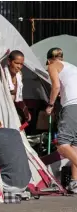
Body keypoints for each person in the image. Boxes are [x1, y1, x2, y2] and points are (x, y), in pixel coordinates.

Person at [45, 47, 77, 194]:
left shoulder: (52, 65)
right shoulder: (72, 67)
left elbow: (56, 86)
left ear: (48, 60)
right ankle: (75, 183)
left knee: (63, 145)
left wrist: (50, 105)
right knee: (74, 147)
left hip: (72, 105)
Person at [4, 50, 31, 123]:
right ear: (9, 61)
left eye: (21, 64)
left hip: (14, 108)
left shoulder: (19, 75)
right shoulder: (3, 75)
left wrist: (26, 111)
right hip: (3, 108)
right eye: (16, 63)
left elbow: (19, 96)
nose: (19, 67)